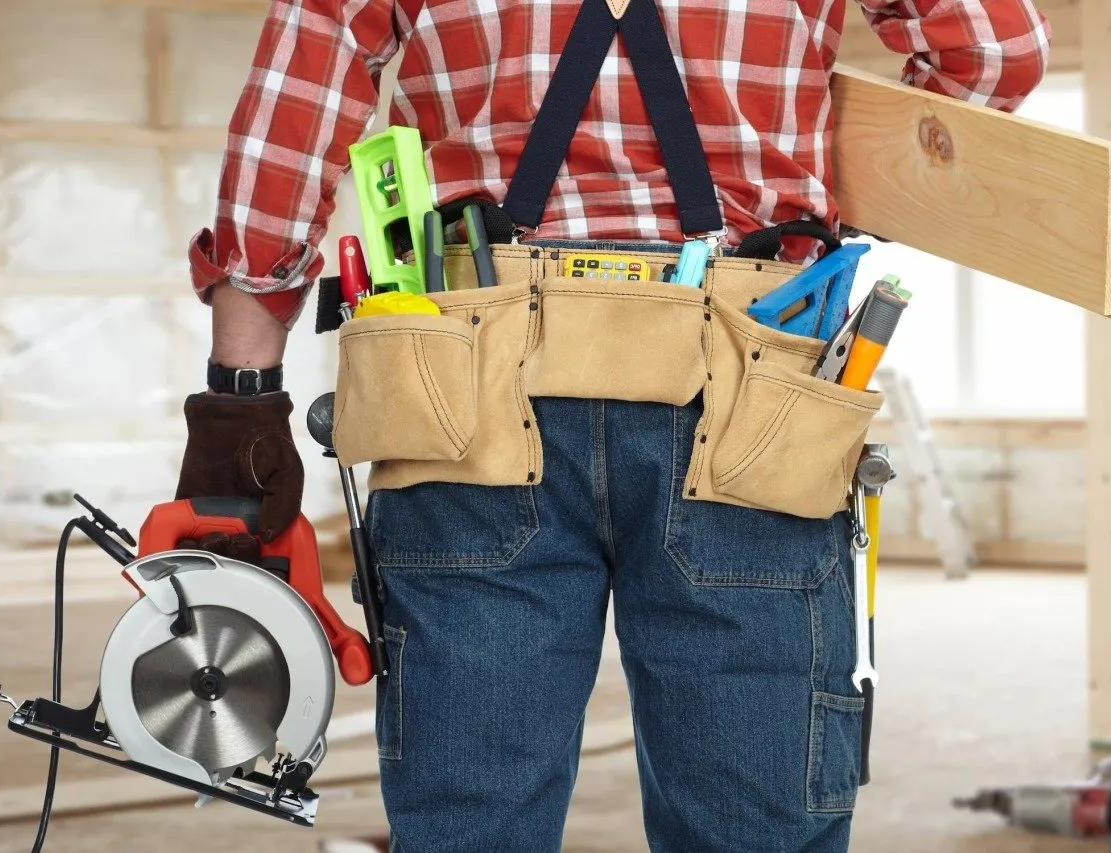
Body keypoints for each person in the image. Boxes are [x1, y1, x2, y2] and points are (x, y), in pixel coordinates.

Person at [177, 0, 1048, 849]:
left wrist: (241, 398)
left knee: (470, 820)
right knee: (755, 819)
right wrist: (814, 189)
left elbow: (298, 97)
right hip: (753, 369)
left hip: (465, 379)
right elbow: (996, 48)